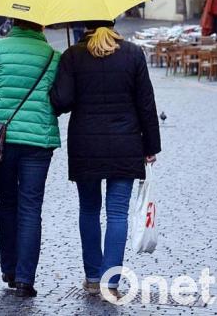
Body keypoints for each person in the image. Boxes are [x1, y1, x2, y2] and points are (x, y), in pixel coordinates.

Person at [49, 20, 161, 300]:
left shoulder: (73, 55)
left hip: (85, 143)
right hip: (125, 143)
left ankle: (91, 277)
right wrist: (151, 146)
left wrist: (65, 74)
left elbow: (61, 102)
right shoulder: (133, 53)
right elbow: (146, 103)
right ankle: (110, 280)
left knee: (88, 210)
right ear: (113, 22)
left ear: (85, 24)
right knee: (117, 213)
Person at [0, 18, 60, 298]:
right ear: (41, 25)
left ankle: (8, 269)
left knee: (7, 202)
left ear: (14, 22)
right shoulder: (53, 56)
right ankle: (25, 279)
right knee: (31, 207)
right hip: (38, 141)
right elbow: (61, 98)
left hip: (0, 140)